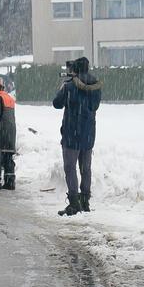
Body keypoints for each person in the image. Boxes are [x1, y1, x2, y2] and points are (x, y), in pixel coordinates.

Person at [53, 56, 102, 216]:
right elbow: (95, 106)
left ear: (75, 69)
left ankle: (74, 203)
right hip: (88, 134)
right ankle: (85, 201)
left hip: (71, 134)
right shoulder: (96, 86)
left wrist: (63, 88)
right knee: (85, 169)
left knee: (70, 167)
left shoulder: (69, 87)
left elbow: (56, 104)